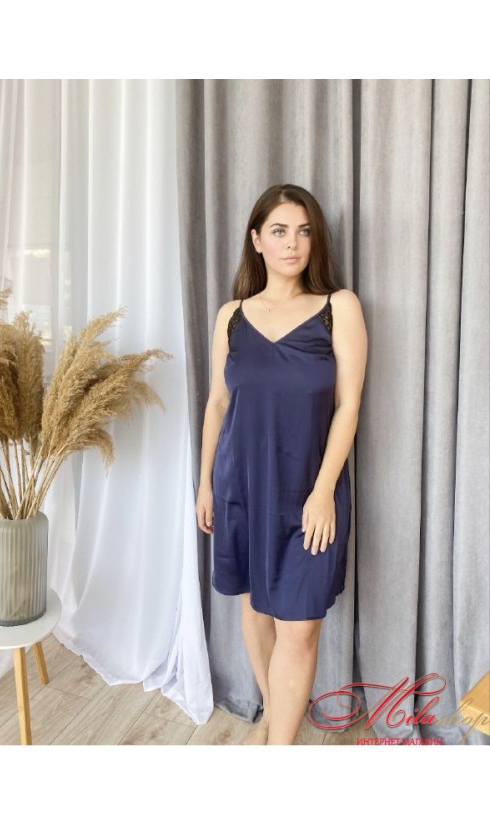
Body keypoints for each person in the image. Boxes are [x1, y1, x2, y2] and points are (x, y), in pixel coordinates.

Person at [196, 183, 368, 746]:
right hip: (240, 486)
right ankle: (274, 716)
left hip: (309, 490)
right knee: (255, 605)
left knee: (301, 628)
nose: (292, 243)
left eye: (303, 231)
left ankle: (277, 753)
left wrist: (323, 492)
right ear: (257, 240)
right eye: (279, 231)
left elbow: (348, 406)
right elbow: (217, 404)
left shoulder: (338, 308)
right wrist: (205, 485)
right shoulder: (231, 316)